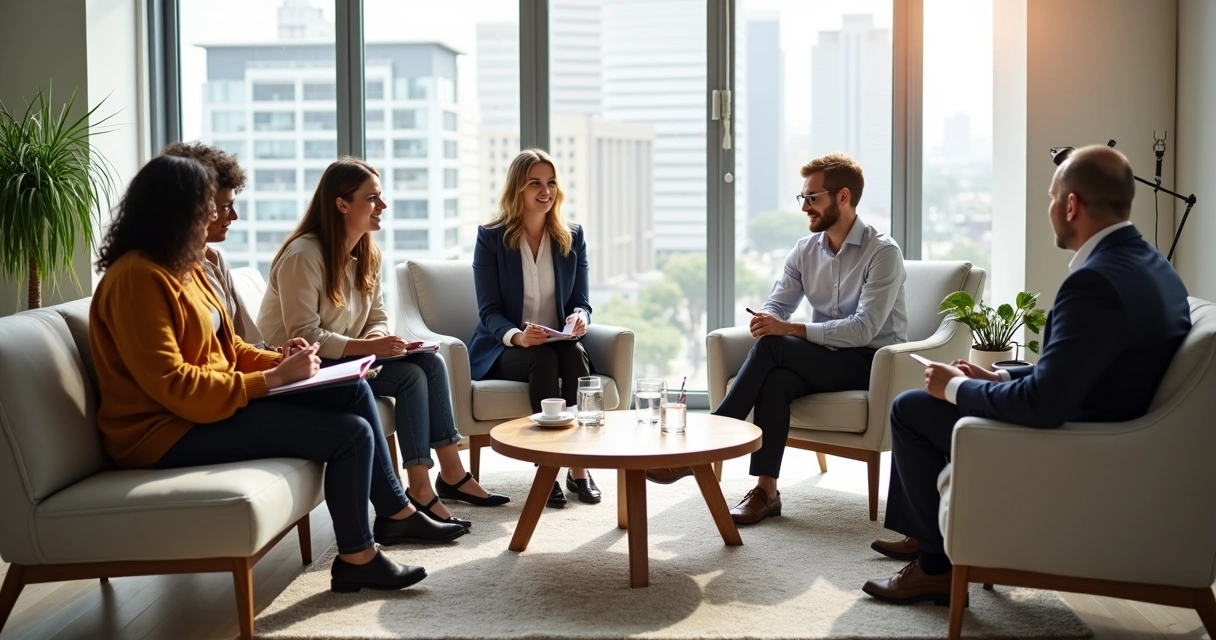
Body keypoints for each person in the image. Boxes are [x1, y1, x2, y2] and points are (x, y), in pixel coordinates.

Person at [89, 155, 465, 594]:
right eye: (213, 208)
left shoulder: (187, 267)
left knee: (352, 388)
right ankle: (358, 557)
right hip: (166, 432)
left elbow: (228, 349)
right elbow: (176, 387)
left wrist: (282, 362)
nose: (224, 216)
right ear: (178, 211)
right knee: (350, 435)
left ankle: (396, 516)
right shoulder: (138, 279)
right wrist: (271, 380)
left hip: (207, 407)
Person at [863, 145, 1192, 606]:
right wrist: (997, 379)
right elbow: (1085, 370)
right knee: (934, 402)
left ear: (1071, 205)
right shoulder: (1153, 266)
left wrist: (956, 387)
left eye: (1051, 197)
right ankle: (928, 533)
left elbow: (1044, 405)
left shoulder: (1093, 282)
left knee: (914, 407)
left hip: (1070, 443)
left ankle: (936, 566)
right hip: (1105, 429)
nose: (1050, 208)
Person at [645, 152, 908, 526]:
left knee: (774, 347)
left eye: (813, 198)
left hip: (871, 364)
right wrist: (768, 319)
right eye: (802, 198)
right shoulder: (804, 251)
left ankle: (704, 447)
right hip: (823, 358)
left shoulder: (882, 252)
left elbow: (864, 329)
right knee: (776, 378)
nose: (805, 208)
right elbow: (778, 304)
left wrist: (789, 330)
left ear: (843, 197)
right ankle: (767, 491)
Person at [258, 157, 509, 530]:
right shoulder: (304, 256)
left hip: (344, 360)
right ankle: (422, 491)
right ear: (342, 204)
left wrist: (380, 338)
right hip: (302, 367)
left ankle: (449, 475)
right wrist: (372, 348)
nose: (383, 206)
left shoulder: (366, 254)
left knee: (428, 363)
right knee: (410, 377)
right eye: (372, 198)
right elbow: (306, 335)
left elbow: (376, 317)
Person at [469, 148, 597, 509]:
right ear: (518, 190)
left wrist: (580, 317)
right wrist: (519, 336)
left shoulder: (571, 235)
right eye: (535, 184)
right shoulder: (491, 237)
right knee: (542, 358)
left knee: (571, 354)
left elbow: (581, 300)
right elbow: (489, 311)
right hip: (505, 347)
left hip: (558, 343)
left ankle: (579, 468)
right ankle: (549, 470)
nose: (546, 191)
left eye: (551, 182)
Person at [161, 141, 264, 346]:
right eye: (225, 207)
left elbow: (240, 340)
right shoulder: (164, 273)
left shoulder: (215, 258)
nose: (233, 216)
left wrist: (279, 358)